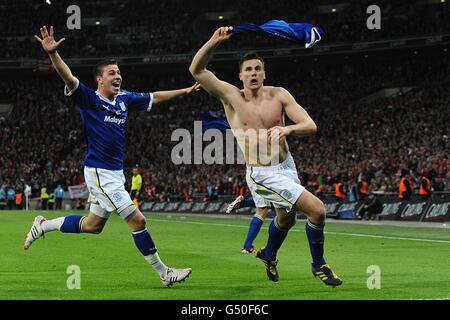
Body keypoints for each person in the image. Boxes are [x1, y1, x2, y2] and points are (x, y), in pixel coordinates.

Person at [24, 26, 199, 287]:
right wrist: (53, 55)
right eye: (112, 73)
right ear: (100, 80)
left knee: (93, 226)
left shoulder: (125, 99)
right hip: (99, 172)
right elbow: (68, 77)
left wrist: (184, 91)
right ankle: (164, 273)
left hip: (115, 173)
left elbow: (154, 97)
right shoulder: (88, 99)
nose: (118, 76)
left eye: (118, 72)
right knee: (137, 219)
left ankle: (43, 224)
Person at [189, 26, 342, 287]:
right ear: (240, 75)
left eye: (257, 68)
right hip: (262, 173)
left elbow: (310, 125)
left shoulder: (279, 94)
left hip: (286, 165)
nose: (253, 73)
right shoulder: (231, 97)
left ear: (264, 73)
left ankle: (269, 255)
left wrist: (288, 128)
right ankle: (320, 265)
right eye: (248, 69)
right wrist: (214, 40)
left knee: (286, 219)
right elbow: (197, 70)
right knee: (317, 211)